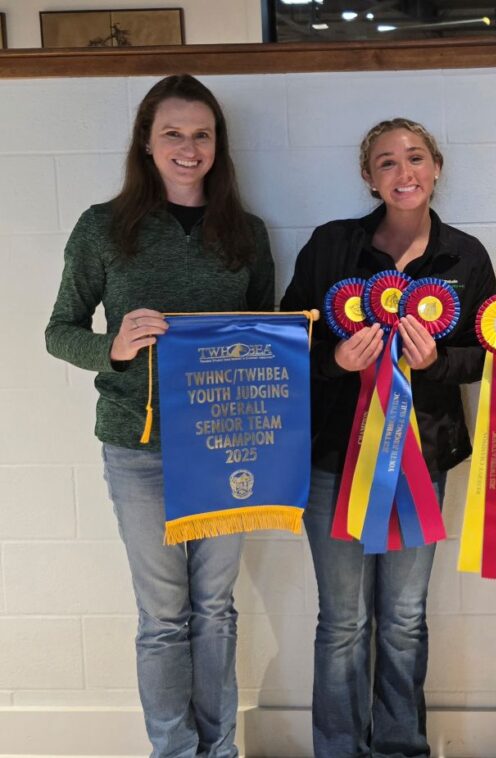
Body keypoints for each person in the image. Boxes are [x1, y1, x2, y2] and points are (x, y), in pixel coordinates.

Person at [45, 74, 275, 757]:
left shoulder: (246, 233)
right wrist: (112, 348)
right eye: (172, 133)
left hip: (227, 447)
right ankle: (174, 752)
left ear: (218, 146)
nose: (188, 147)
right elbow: (58, 330)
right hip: (137, 451)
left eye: (201, 134)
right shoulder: (102, 228)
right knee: (163, 618)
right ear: (146, 143)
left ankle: (220, 748)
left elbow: (265, 336)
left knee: (215, 612)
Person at [280, 117, 496, 758]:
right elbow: (292, 333)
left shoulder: (465, 256)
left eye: (416, 159)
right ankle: (339, 749)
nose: (404, 173)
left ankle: (401, 746)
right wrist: (336, 361)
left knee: (403, 620)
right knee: (343, 620)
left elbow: (488, 355)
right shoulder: (331, 247)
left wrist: (437, 364)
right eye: (386, 163)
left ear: (436, 168)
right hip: (332, 458)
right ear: (368, 178)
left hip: (421, 459)